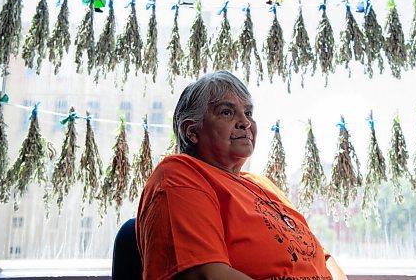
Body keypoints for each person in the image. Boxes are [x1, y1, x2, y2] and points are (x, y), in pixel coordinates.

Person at [136, 70, 348, 280]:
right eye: (227, 112)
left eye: (248, 113)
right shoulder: (179, 174)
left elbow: (323, 257)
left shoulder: (262, 185)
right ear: (192, 131)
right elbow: (207, 275)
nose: (245, 122)